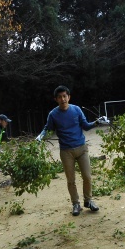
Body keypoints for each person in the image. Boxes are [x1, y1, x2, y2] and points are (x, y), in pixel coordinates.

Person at [36, 85, 105, 216]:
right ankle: (76, 204)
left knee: (87, 176)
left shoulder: (76, 110)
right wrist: (40, 136)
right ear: (56, 99)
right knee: (71, 180)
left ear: (69, 97)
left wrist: (97, 122)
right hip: (66, 151)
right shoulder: (53, 114)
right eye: (60, 97)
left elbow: (86, 126)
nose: (63, 99)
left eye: (65, 96)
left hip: (81, 148)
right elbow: (47, 129)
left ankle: (88, 200)